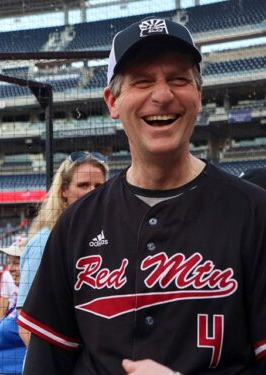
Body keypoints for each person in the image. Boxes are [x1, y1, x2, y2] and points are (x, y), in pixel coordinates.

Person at [18, 17, 266, 374]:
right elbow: (47, 362)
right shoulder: (77, 223)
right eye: (143, 81)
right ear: (113, 101)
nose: (162, 95)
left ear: (199, 94)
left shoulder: (254, 214)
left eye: (179, 79)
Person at [16, 152, 108, 345]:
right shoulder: (44, 241)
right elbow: (27, 324)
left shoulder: (112, 237)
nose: (93, 191)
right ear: (64, 191)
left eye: (99, 186)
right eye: (83, 185)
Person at [0, 243, 26, 375]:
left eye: (16, 263)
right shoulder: (19, 302)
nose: (10, 269)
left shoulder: (38, 304)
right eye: (10, 263)